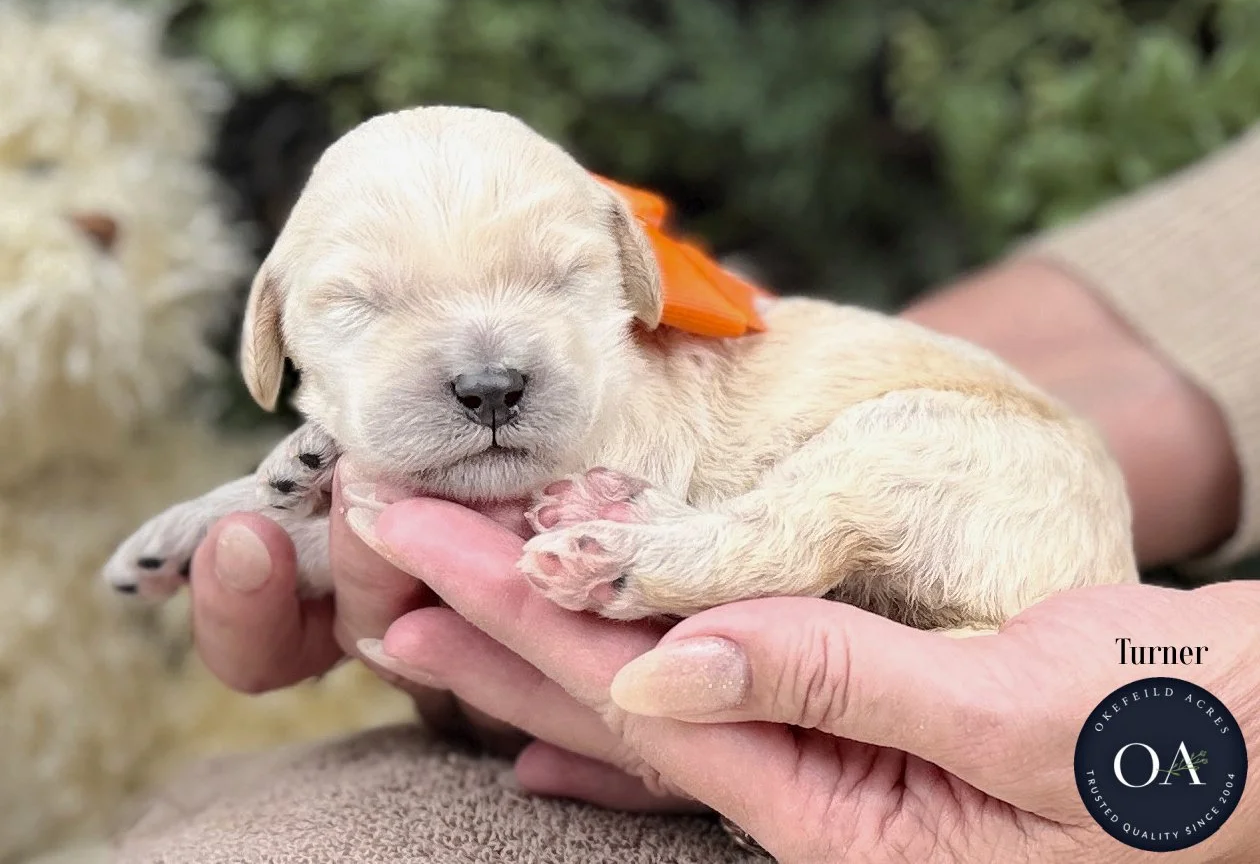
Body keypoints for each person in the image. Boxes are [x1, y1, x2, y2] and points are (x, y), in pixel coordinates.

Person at [112, 126, 1260, 863]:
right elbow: (422, 533)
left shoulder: (643, 392)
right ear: (271, 333)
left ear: (631, 276)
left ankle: (683, 555)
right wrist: (263, 519)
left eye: (559, 279)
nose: (488, 372)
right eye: (364, 305)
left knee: (862, 470)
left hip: (1010, 508)